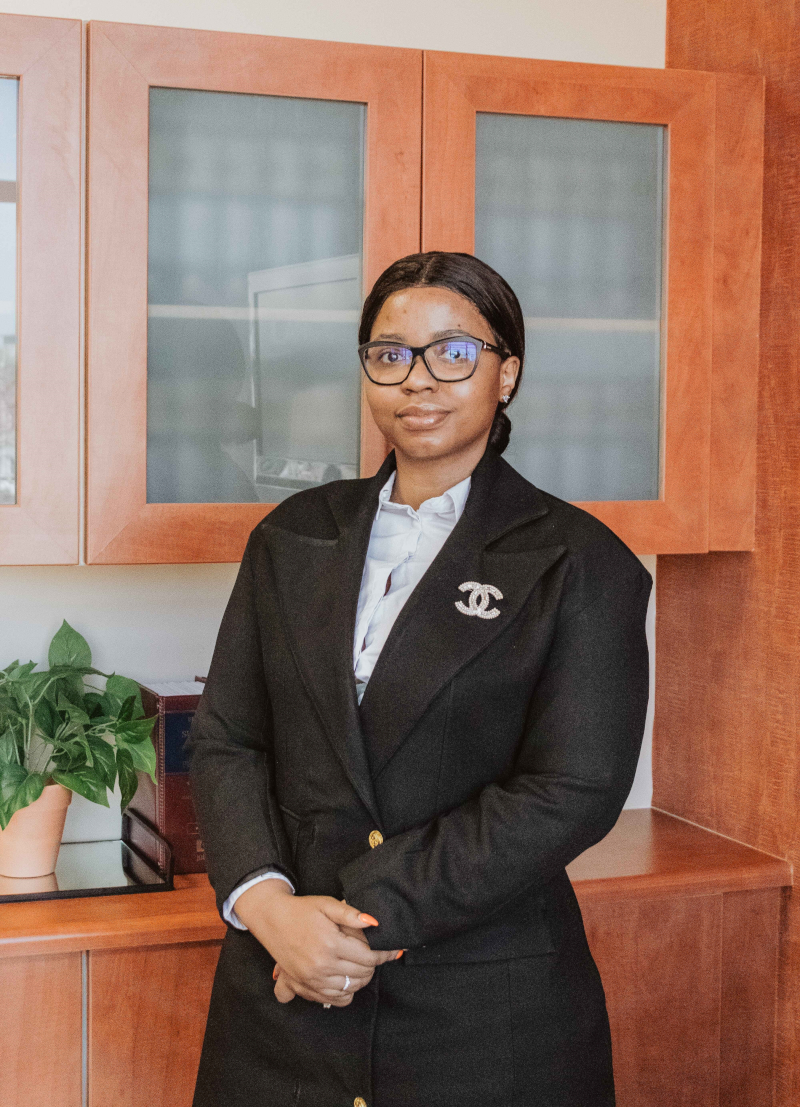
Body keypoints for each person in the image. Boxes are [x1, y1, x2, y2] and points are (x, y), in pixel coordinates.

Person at [188, 250, 652, 1107]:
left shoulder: (581, 562)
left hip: (483, 1008)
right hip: (282, 984)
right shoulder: (293, 535)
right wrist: (266, 904)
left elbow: (573, 788)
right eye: (390, 354)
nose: (418, 379)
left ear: (506, 374)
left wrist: (353, 918)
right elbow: (227, 737)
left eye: (454, 352)